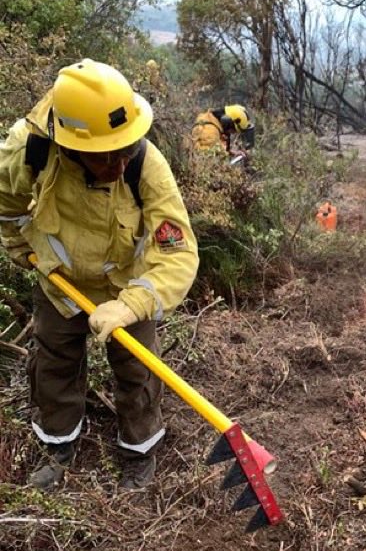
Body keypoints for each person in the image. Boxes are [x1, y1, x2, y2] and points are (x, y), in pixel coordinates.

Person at [0, 59, 199, 492]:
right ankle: (58, 447)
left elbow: (179, 252)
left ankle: (139, 451)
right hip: (60, 284)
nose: (120, 160)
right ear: (71, 146)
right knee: (54, 364)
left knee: (138, 371)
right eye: (106, 154)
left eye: (125, 146)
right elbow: (4, 202)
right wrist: (19, 244)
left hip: (128, 286)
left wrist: (132, 305)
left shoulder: (145, 163)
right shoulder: (29, 151)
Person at [191, 104, 255, 161]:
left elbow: (217, 145)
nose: (233, 133)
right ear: (227, 123)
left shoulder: (211, 119)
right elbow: (207, 158)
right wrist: (224, 154)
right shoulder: (209, 132)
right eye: (234, 130)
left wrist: (232, 153)